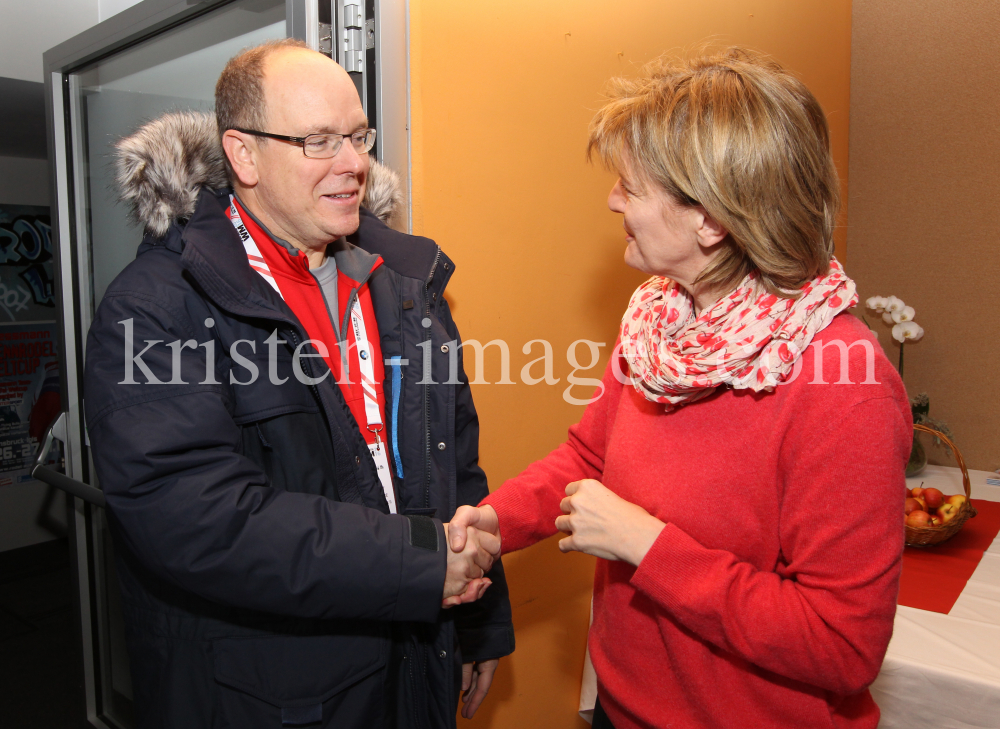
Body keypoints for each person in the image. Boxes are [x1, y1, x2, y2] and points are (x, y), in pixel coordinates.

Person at [450, 48, 910, 729]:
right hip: (620, 709)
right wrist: (497, 520)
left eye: (631, 186)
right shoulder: (660, 319)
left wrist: (650, 546)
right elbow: (588, 458)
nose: (613, 200)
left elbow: (843, 646)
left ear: (711, 220)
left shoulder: (844, 379)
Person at [83, 39, 513, 729]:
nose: (354, 165)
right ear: (244, 155)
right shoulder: (156, 307)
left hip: (415, 660)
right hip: (266, 695)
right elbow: (200, 517)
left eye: (357, 136)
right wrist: (423, 565)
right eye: (317, 141)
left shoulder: (405, 283)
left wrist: (480, 621)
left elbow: (453, 461)